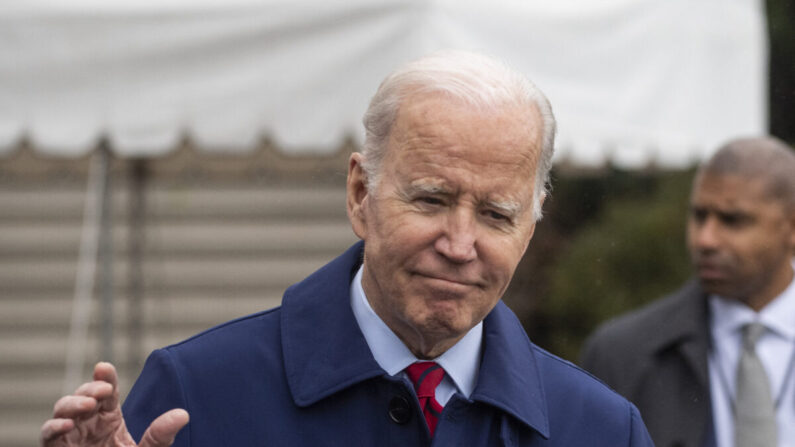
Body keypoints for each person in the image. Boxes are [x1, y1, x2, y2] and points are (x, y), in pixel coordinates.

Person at [41, 50, 653, 447]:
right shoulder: (198, 394)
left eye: (496, 215)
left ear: (530, 231)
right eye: (432, 200)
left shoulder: (600, 429)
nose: (460, 245)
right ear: (361, 193)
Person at [581, 137, 795, 447]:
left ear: (790, 228)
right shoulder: (622, 355)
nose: (705, 239)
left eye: (732, 221)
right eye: (699, 216)